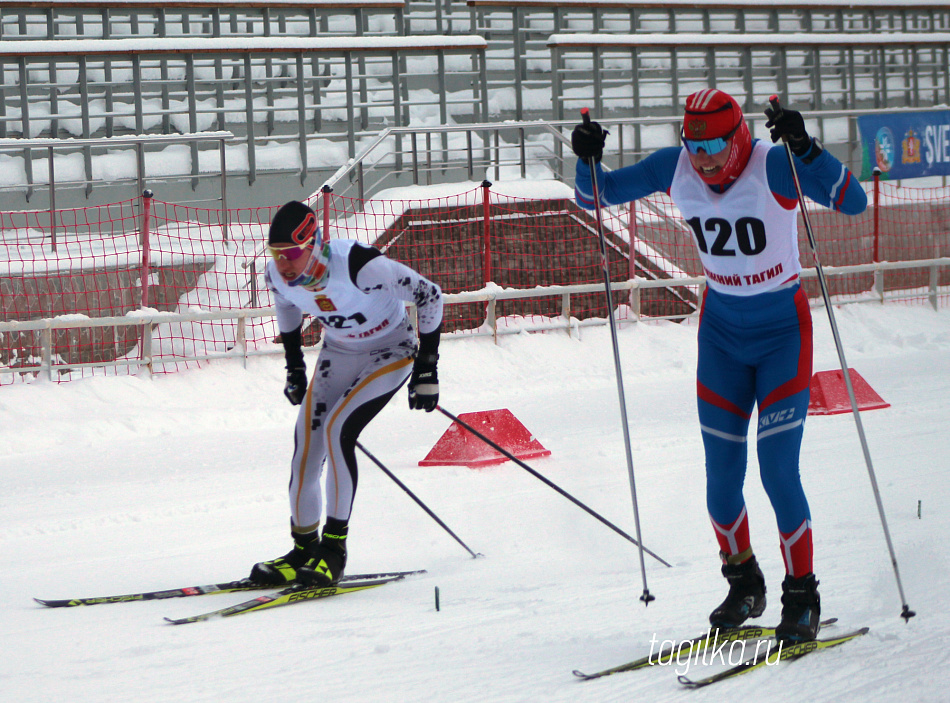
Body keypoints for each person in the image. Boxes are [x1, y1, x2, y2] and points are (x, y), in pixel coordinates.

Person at [571, 90, 867, 642]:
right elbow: (598, 195)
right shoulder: (675, 166)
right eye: (693, 144)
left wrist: (807, 150)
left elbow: (855, 203)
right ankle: (743, 580)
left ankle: (802, 592)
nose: (703, 158)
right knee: (720, 483)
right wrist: (585, 158)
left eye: (712, 145)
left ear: (737, 138)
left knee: (778, 470)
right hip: (723, 339)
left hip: (782, 334)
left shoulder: (772, 164)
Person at [249, 200, 443, 588]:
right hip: (338, 353)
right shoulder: (277, 275)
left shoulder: (359, 264)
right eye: (276, 254)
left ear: (313, 244)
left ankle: (334, 550)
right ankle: (303, 549)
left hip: (391, 350)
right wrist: (294, 367)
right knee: (306, 443)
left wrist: (427, 367)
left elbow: (430, 294)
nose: (283, 264)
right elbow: (287, 311)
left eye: (290, 254)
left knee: (339, 431)